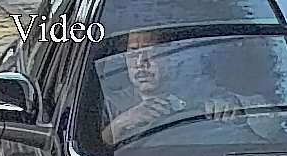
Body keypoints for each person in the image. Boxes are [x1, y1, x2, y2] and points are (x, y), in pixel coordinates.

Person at [100, 29, 258, 149]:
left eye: (152, 52)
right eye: (133, 52)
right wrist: (121, 123)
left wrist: (228, 110)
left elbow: (242, 128)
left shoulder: (201, 93)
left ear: (171, 57)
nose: (141, 63)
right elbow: (92, 153)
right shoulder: (109, 104)